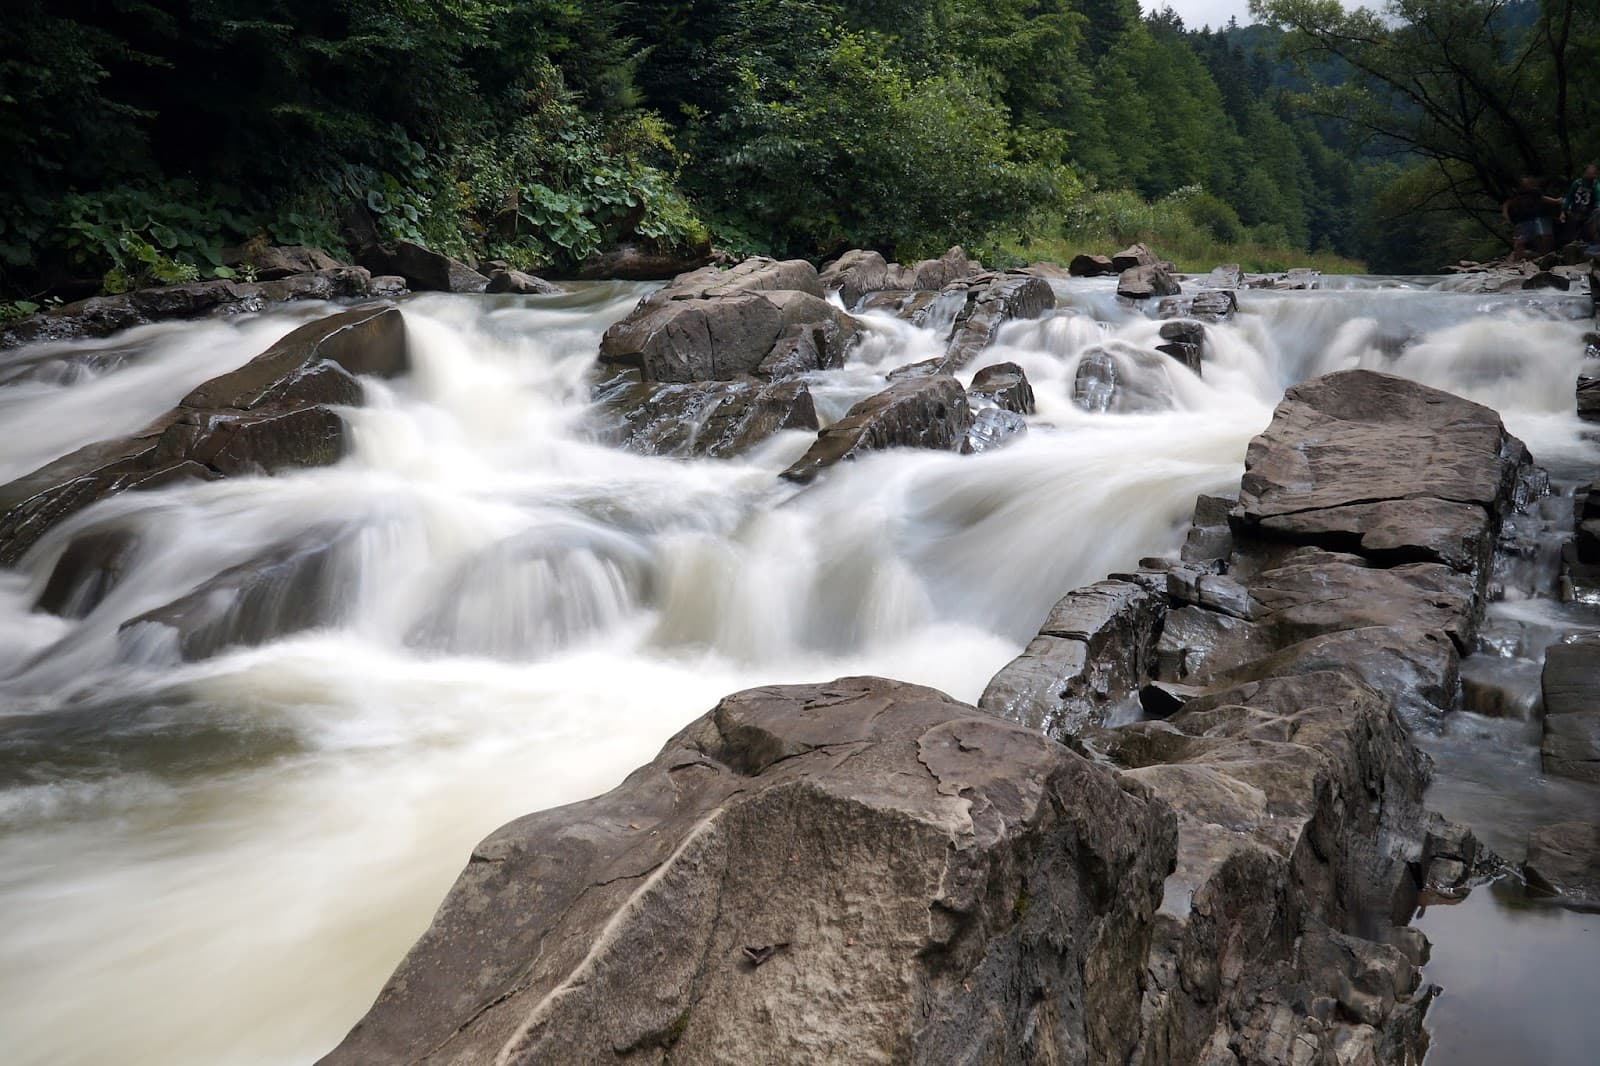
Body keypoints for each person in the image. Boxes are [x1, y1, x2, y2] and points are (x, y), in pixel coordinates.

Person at [1502, 177, 1561, 260]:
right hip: (1523, 220)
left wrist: (1556, 201)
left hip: (1537, 217)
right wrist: (1506, 217)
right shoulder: (1513, 195)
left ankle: (1545, 255)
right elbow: (1506, 205)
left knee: (1544, 236)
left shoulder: (1534, 193)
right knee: (1520, 240)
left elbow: (1543, 198)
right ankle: (1520, 257)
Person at [1562, 164, 1600, 245]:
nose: (1590, 174)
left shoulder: (1595, 184)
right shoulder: (1577, 183)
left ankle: (1592, 246)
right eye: (1589, 172)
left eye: (1593, 172)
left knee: (1589, 231)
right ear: (1585, 172)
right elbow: (1569, 196)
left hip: (1589, 212)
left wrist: (1597, 208)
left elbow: (1598, 198)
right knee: (1573, 233)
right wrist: (1564, 210)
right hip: (1575, 211)